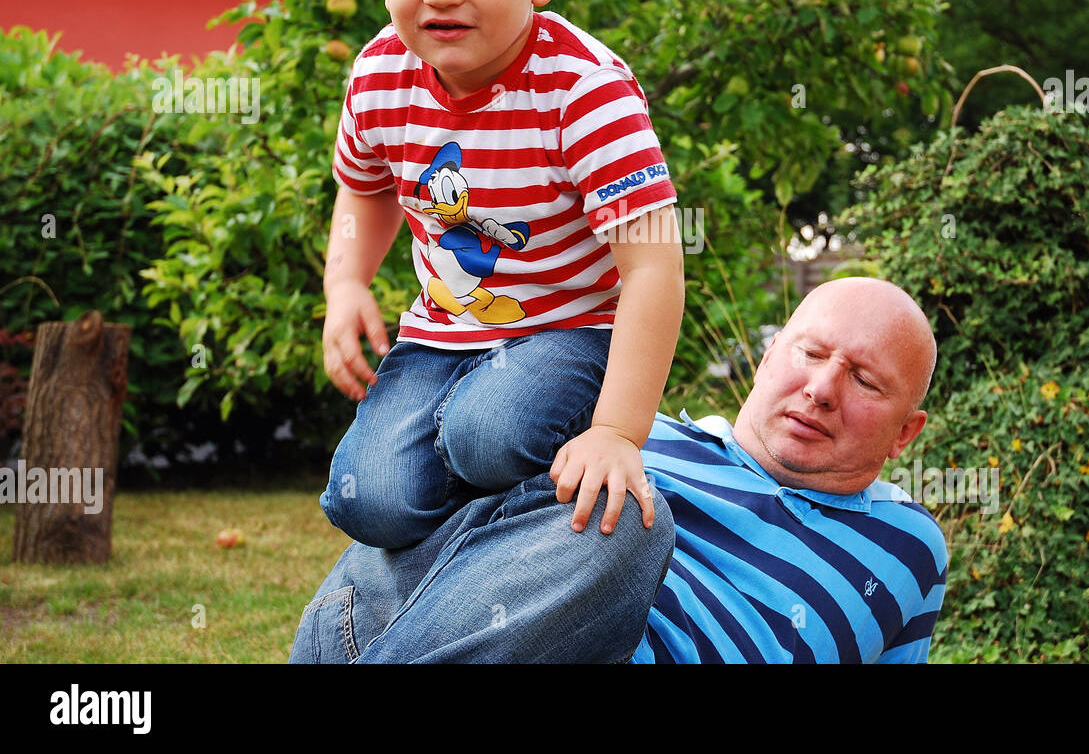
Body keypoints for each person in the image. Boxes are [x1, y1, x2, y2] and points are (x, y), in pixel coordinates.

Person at [319, 0, 685, 561]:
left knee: (490, 435)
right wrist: (347, 284)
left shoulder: (584, 91)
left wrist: (618, 430)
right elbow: (365, 186)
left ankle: (561, 476)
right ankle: (464, 539)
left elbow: (653, 265)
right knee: (370, 500)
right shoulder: (380, 75)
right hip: (444, 333)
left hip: (574, 329)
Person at [290, 277, 948, 663]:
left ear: (906, 432)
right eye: (810, 353)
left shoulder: (906, 545)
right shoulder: (624, 432)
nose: (822, 389)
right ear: (769, 355)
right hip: (373, 622)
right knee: (624, 513)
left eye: (864, 380)